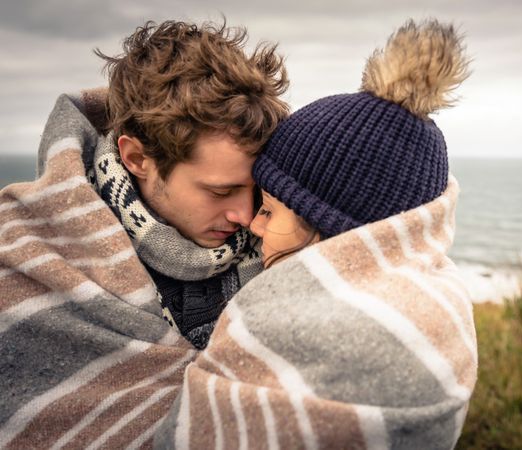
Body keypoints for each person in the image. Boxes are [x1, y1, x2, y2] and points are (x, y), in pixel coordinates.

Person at [156, 19, 478, 449]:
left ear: (336, 237)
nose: (253, 224)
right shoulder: (437, 307)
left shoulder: (311, 335)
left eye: (269, 210)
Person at [0, 20, 287, 447]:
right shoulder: (21, 252)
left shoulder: (287, 241)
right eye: (220, 190)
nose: (246, 215)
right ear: (136, 157)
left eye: (257, 189)